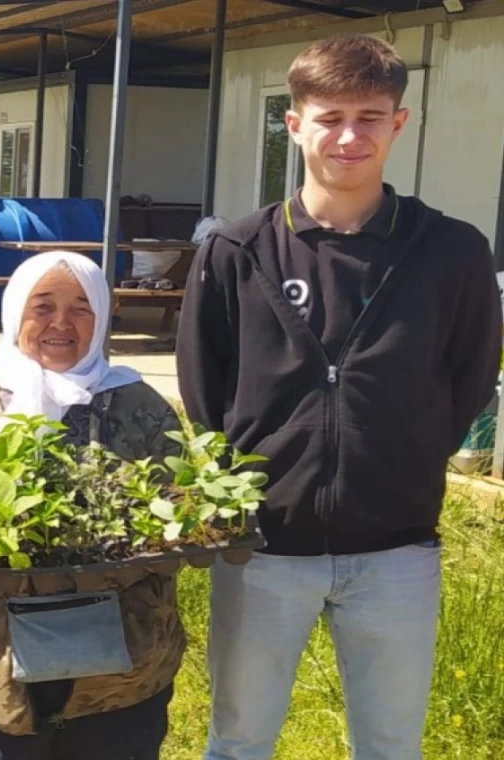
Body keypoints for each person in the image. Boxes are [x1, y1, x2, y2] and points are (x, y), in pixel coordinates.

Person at [176, 34, 502, 760]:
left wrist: (405, 456)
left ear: (399, 124)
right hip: (261, 551)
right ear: (294, 126)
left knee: (390, 746)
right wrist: (250, 485)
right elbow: (204, 390)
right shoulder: (237, 251)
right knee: (238, 741)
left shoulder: (451, 251)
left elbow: (470, 377)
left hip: (396, 550)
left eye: (370, 116)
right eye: (328, 117)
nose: (349, 136)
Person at [0, 251, 185, 760]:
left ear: (100, 318)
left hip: (120, 670)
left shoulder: (141, 407)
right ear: (15, 314)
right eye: (43, 306)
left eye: (80, 308)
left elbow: (182, 510)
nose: (60, 323)